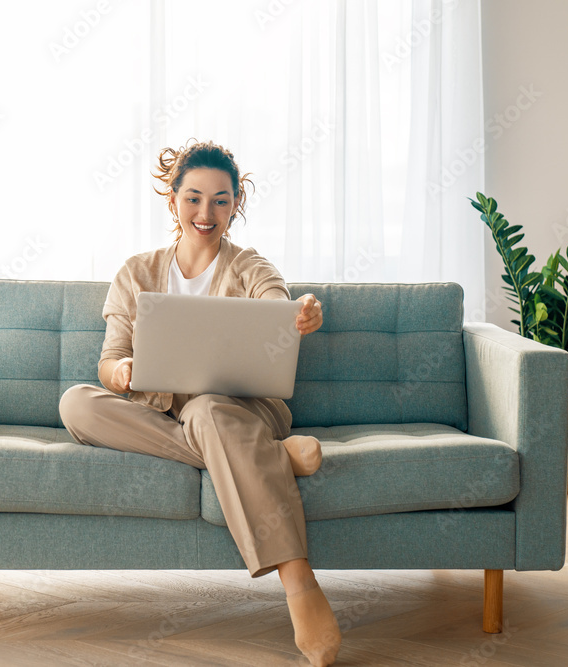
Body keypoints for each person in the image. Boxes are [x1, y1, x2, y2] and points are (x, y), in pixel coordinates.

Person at [59, 139, 340, 666]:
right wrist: (120, 373)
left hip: (240, 408)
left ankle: (298, 582)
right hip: (158, 412)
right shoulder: (136, 272)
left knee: (209, 410)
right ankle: (270, 457)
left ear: (236, 204)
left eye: (220, 200)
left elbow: (276, 305)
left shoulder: (249, 265)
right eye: (193, 198)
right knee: (76, 404)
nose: (205, 213)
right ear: (173, 200)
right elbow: (109, 360)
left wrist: (299, 313)